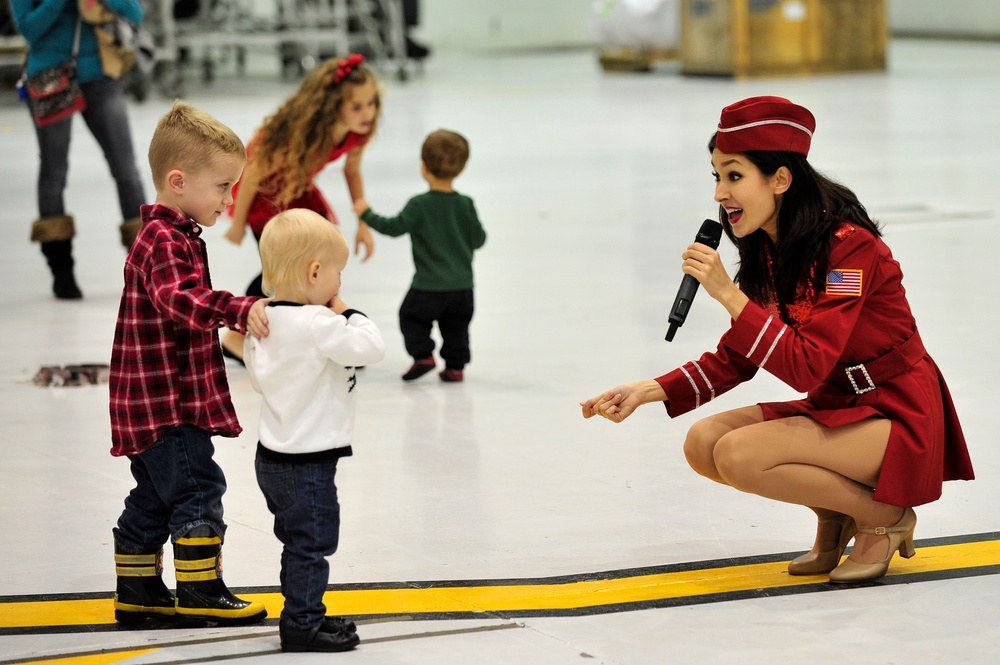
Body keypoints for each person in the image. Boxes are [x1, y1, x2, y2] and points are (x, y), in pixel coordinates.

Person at [581, 96, 974, 583]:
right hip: (841, 403)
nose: (721, 193)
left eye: (734, 175)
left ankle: (885, 519)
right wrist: (648, 389)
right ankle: (837, 515)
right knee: (704, 442)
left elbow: (805, 366)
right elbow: (738, 356)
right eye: (716, 177)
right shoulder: (768, 250)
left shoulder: (851, 250)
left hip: (896, 409)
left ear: (781, 180)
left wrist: (727, 292)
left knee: (739, 454)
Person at [108, 101, 270, 627]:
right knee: (199, 489)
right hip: (167, 405)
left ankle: (137, 591)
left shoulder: (171, 235)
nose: (230, 198)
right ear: (178, 181)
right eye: (222, 186)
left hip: (155, 400)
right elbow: (180, 300)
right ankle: (200, 591)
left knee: (155, 496)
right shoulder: (166, 240)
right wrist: (237, 310)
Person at [245, 209, 385, 652]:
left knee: (297, 543)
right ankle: (302, 624)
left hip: (273, 458)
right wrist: (347, 312)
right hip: (308, 465)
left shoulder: (262, 321)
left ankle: (303, 611)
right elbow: (371, 347)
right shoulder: (320, 323)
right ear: (314, 272)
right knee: (313, 544)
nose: (340, 284)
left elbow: (258, 378)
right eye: (338, 274)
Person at [222, 53, 381, 363]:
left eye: (372, 103)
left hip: (297, 191)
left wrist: (363, 221)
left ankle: (322, 336)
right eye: (358, 106)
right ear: (334, 106)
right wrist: (238, 223)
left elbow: (352, 171)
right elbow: (253, 171)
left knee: (315, 264)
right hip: (264, 197)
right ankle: (236, 335)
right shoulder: (301, 132)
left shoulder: (358, 131)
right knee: (283, 273)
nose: (368, 113)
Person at [11, 0, 148, 299]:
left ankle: (145, 269)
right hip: (49, 76)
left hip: (100, 74)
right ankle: (61, 271)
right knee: (53, 171)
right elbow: (29, 29)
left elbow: (134, 13)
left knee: (126, 168)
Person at [353, 129, 486, 382]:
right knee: (456, 328)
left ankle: (423, 355)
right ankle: (455, 368)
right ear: (461, 168)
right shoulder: (466, 204)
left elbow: (393, 227)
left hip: (428, 286)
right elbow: (479, 240)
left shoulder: (419, 205)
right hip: (463, 288)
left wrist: (366, 213)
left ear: (423, 167)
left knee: (410, 316)